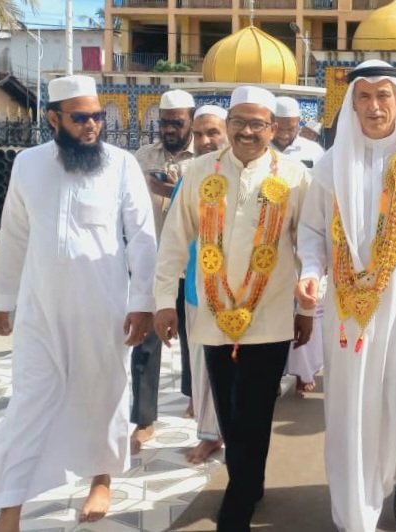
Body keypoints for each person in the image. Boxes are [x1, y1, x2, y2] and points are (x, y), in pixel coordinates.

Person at [0, 74, 156, 531]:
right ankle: (10, 511)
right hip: (41, 310)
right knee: (29, 405)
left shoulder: (121, 165)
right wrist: (2, 298)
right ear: (53, 119)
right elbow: (14, 234)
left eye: (97, 116)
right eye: (80, 118)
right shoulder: (27, 164)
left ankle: (102, 478)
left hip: (104, 308)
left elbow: (142, 237)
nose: (92, 125)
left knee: (104, 395)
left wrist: (142, 302)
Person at [296, 59, 396, 531]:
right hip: (349, 312)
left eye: (383, 95)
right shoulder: (331, 164)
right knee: (352, 411)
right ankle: (356, 516)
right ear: (352, 104)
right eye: (363, 96)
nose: (374, 106)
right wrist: (311, 271)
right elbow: (311, 231)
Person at [154, 86, 312, 531]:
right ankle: (250, 480)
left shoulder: (296, 177)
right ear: (227, 125)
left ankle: (239, 496)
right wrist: (163, 301)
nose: (246, 131)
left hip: (271, 313)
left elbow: (309, 245)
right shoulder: (198, 172)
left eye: (256, 123)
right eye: (238, 122)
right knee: (227, 406)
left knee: (255, 410)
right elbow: (174, 239)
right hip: (213, 312)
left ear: (273, 129)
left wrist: (306, 311)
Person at [131, 89, 197, 453]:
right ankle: (144, 419)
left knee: (193, 337)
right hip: (152, 263)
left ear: (191, 122)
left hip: (192, 266)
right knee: (146, 341)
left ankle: (194, 398)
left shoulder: (206, 159)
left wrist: (176, 192)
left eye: (177, 122)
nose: (169, 129)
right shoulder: (143, 157)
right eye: (164, 122)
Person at [181, 104, 228, 463]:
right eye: (198, 134)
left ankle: (235, 432)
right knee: (202, 365)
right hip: (199, 289)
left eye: (213, 132)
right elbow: (175, 235)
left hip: (248, 292)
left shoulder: (258, 173)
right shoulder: (192, 176)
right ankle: (210, 434)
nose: (204, 141)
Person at [273, 96, 326, 396]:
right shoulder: (260, 151)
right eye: (280, 127)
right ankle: (275, 371)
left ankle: (304, 370)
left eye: (291, 127)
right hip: (270, 240)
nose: (284, 133)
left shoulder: (313, 152)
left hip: (305, 236)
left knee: (306, 305)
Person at [273, 96, 325, 168]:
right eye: (279, 129)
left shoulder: (315, 151)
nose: (284, 135)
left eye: (290, 129)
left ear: (298, 122)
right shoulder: (259, 149)